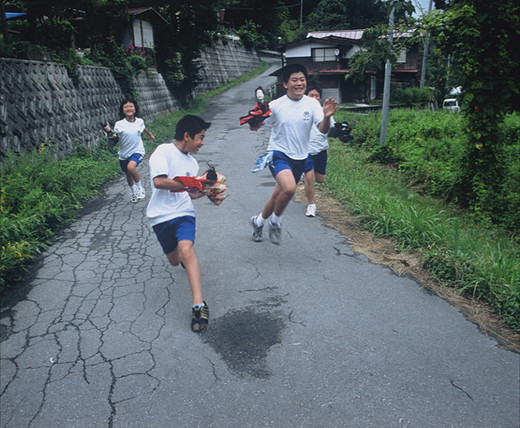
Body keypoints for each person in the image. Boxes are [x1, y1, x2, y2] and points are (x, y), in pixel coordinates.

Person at [249, 63, 337, 244]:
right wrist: (255, 117)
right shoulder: (275, 105)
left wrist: (327, 117)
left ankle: (258, 222)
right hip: (278, 154)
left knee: (277, 196)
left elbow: (322, 130)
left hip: (300, 158)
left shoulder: (312, 104)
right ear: (285, 84)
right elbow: (256, 125)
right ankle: (275, 221)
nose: (299, 83)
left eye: (302, 80)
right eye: (294, 80)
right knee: (289, 188)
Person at [146, 115, 211, 332]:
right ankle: (182, 259)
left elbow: (189, 195)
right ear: (187, 136)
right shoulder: (163, 152)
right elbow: (159, 182)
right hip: (160, 215)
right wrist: (188, 185)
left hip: (184, 213)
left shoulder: (193, 163)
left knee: (187, 248)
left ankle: (198, 306)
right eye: (200, 138)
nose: (202, 142)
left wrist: (204, 192)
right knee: (174, 260)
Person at [104, 98, 155, 203]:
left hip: (138, 150)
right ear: (123, 110)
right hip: (123, 153)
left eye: (131, 106)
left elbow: (143, 128)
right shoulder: (119, 124)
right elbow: (114, 135)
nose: (129, 108)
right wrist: (109, 131)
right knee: (128, 174)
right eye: (126, 107)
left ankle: (140, 188)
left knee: (131, 167)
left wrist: (150, 135)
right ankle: (132, 190)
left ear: (135, 109)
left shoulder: (140, 121)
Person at [303, 86, 335, 217]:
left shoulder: (324, 111)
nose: (315, 98)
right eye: (311, 95)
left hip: (321, 149)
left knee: (320, 179)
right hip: (306, 150)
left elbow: (331, 128)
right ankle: (311, 205)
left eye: (317, 95)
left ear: (320, 98)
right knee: (309, 177)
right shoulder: (303, 111)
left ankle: (305, 179)